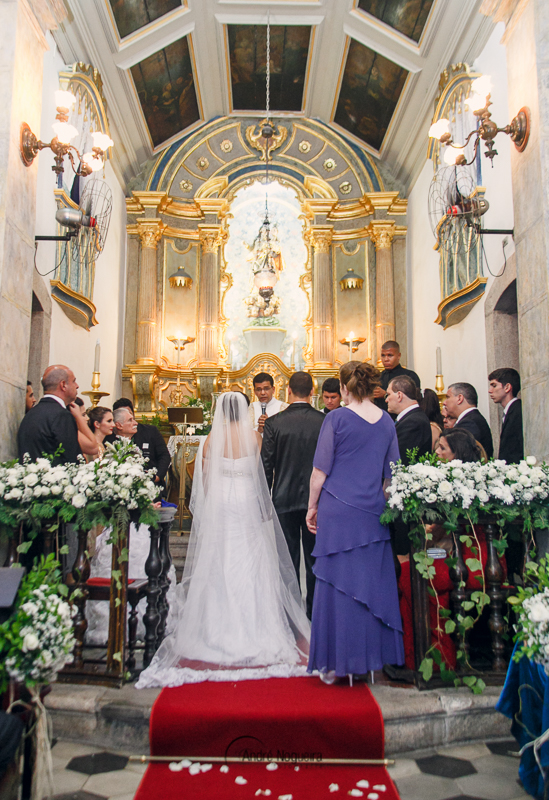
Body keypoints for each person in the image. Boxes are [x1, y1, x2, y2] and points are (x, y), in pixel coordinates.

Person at [136, 392, 310, 687]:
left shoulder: (211, 438)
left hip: (221, 503)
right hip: (245, 501)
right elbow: (262, 475)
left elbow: (204, 478)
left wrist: (209, 506)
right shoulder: (255, 437)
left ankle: (215, 631)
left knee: (219, 559)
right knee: (251, 559)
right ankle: (256, 630)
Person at [306, 361, 404, 683]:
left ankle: (335, 663)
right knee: (370, 586)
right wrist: (381, 506)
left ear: (345, 388)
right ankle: (369, 661)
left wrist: (312, 507)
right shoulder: (388, 423)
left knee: (336, 585)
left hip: (337, 510)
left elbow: (320, 471)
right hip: (373, 512)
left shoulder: (335, 418)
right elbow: (392, 479)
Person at [261, 372, 325, 619]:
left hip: (283, 499)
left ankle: (291, 617)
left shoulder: (274, 422)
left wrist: (264, 500)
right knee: (313, 560)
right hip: (316, 502)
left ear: (288, 390)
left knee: (287, 561)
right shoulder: (324, 421)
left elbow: (266, 466)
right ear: (312, 391)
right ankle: (314, 614)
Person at [17, 365, 98, 464]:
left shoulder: (31, 414)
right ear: (63, 385)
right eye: (73, 381)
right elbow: (72, 458)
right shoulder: (62, 415)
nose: (77, 385)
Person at [112, 398, 171, 487]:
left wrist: (157, 477)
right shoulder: (111, 438)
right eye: (128, 419)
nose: (134, 423)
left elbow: (164, 456)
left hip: (151, 483)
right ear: (118, 423)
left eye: (130, 415)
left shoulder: (150, 431)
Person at [386, 376, 432, 465]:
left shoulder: (414, 422)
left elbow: (400, 458)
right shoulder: (410, 418)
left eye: (388, 395)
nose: (386, 400)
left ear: (399, 395)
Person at [443, 382, 493, 458]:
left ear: (459, 398)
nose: (444, 402)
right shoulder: (472, 418)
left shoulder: (469, 423)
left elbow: (462, 454)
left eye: (448, 397)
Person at [373, 340, 421, 416]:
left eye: (390, 355)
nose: (386, 359)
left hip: (403, 418)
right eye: (383, 355)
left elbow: (413, 401)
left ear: (398, 356)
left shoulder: (410, 376)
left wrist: (385, 394)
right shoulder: (377, 377)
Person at [488, 368, 523, 463]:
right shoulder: (511, 410)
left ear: (507, 387)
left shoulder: (518, 411)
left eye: (494, 386)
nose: (490, 391)